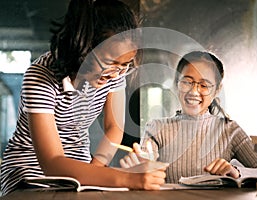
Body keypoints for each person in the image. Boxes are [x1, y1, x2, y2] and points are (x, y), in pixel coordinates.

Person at [0, 0, 167, 196]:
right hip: (30, 171)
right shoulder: (41, 76)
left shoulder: (115, 73)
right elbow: (52, 163)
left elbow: (114, 128)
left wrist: (96, 168)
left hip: (80, 169)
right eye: (109, 63)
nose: (116, 74)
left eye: (125, 64)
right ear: (83, 48)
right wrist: (128, 178)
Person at [120, 51, 257, 183]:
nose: (194, 91)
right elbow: (146, 161)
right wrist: (141, 167)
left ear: (217, 90)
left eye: (204, 85)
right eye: (187, 82)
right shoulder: (157, 128)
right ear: (177, 84)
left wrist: (236, 172)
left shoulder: (230, 130)